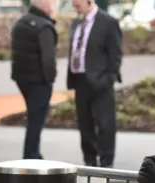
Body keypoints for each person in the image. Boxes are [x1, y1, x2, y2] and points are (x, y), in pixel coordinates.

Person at [66, 0, 122, 169]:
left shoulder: (108, 23)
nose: (75, 8)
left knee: (105, 123)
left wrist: (109, 78)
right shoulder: (76, 23)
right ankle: (89, 159)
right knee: (84, 122)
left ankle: (106, 161)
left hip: (101, 81)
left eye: (78, 5)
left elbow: (115, 53)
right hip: (80, 79)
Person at [10, 0, 58, 160]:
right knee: (36, 119)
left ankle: (31, 152)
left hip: (22, 78)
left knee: (32, 115)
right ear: (45, 6)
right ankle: (32, 154)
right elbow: (48, 59)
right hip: (39, 81)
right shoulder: (44, 27)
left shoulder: (20, 23)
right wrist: (50, 80)